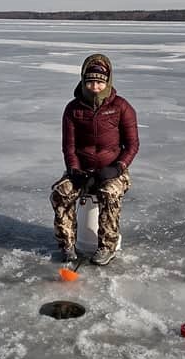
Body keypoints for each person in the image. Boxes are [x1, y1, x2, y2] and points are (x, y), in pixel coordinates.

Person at [50, 53, 139, 266]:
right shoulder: (73, 109)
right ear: (83, 80)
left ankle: (107, 246)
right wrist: (75, 171)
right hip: (81, 169)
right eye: (90, 81)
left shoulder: (121, 107)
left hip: (113, 170)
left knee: (109, 193)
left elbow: (133, 145)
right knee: (60, 193)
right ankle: (67, 245)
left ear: (107, 82)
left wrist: (117, 168)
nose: (94, 87)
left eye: (99, 82)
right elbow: (69, 146)